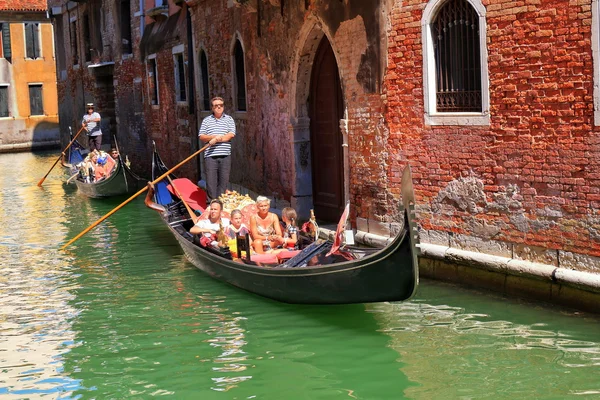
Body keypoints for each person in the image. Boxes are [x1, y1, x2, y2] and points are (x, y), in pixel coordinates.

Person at [198, 97, 236, 201]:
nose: (219, 107)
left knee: (223, 183)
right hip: (210, 156)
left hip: (225, 156)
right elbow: (202, 136)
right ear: (212, 108)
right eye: (216, 105)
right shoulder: (206, 121)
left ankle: (220, 206)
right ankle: (211, 206)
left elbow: (230, 135)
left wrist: (218, 139)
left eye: (221, 105)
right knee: (211, 183)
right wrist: (213, 137)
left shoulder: (229, 119)